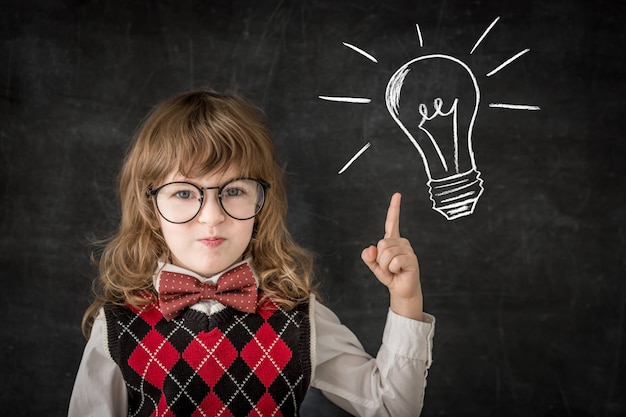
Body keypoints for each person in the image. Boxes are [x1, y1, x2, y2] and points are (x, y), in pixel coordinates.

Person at [68, 90, 435, 417]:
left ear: (262, 202)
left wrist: (406, 299)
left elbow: (392, 406)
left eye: (233, 191)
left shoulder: (297, 316)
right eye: (183, 193)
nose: (212, 217)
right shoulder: (118, 324)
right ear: (151, 207)